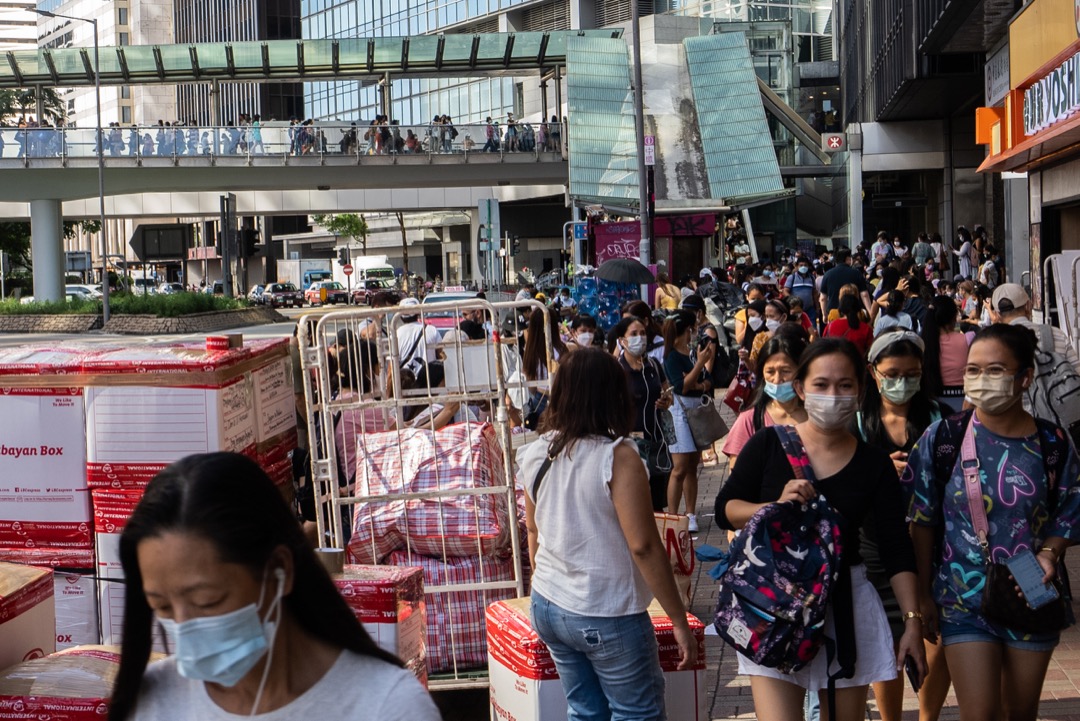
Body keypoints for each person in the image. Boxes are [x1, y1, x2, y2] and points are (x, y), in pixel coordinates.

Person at [107, 453, 440, 721]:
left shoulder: (386, 705)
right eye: (162, 607)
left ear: (279, 571)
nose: (184, 627)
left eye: (207, 601)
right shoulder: (152, 702)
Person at [714, 339, 927, 721]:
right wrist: (773, 507)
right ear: (801, 389)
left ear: (861, 390)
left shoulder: (874, 464)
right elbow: (725, 509)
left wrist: (912, 622)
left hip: (846, 605)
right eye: (822, 385)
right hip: (774, 605)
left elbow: (896, 547)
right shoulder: (768, 444)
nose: (834, 395)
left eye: (845, 385)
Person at [906, 324, 1080, 721]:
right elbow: (921, 518)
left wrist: (1051, 553)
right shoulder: (943, 437)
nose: (981, 380)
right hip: (959, 591)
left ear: (1025, 377)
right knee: (979, 712)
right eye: (973, 369)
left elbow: (1071, 505)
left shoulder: (1053, 444)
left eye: (995, 370)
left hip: (1031, 585)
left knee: (1018, 711)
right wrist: (922, 595)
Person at [518, 349, 693, 720]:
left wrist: (548, 584)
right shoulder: (617, 456)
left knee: (584, 712)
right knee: (636, 714)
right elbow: (644, 547)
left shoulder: (536, 452)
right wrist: (678, 619)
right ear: (612, 394)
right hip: (606, 611)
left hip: (549, 603)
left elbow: (533, 529)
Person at [856, 332, 950, 721]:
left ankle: (929, 717)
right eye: (893, 373)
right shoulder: (856, 422)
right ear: (874, 373)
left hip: (935, 542)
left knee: (935, 634)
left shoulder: (939, 417)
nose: (902, 382)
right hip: (875, 544)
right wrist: (878, 473)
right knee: (887, 638)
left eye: (911, 374)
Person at [722, 332, 808, 469]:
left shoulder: (818, 416)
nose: (777, 379)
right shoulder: (750, 420)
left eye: (786, 371)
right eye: (770, 372)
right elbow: (737, 478)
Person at [614, 316, 674, 511]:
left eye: (642, 333)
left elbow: (667, 392)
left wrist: (666, 400)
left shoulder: (654, 365)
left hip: (656, 442)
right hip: (629, 446)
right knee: (636, 504)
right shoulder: (616, 370)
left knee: (657, 505)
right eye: (633, 334)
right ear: (622, 340)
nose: (639, 338)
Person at [662, 310, 715, 532]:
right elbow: (681, 385)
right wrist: (699, 366)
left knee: (693, 464)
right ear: (687, 331)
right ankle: (673, 516)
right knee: (680, 467)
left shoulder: (693, 352)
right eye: (692, 330)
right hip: (679, 411)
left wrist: (698, 382)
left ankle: (690, 513)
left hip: (696, 409)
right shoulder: (672, 356)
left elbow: (708, 382)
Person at [992, 283, 1080, 372]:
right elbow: (1077, 374)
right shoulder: (1056, 334)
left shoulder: (992, 345)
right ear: (1028, 306)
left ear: (997, 314)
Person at [820, 248, 872, 319]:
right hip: (854, 313)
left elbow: (823, 298)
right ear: (847, 259)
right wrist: (870, 312)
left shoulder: (827, 274)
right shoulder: (856, 273)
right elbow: (864, 295)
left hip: (834, 313)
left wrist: (824, 314)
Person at [394, 298, 442, 374]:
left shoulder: (395, 335)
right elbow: (442, 357)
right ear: (418, 313)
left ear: (400, 315)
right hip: (430, 382)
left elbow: (391, 368)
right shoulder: (432, 330)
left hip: (406, 384)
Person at [749, 299, 789, 367]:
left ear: (784, 317)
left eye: (772, 316)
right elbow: (754, 364)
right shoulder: (760, 338)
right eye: (767, 316)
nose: (768, 320)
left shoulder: (792, 336)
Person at [783, 257, 819, 327]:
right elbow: (785, 291)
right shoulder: (792, 277)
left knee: (812, 328)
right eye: (801, 265)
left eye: (805, 265)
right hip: (795, 310)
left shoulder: (812, 278)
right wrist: (793, 301)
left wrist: (817, 308)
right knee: (796, 328)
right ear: (796, 266)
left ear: (808, 266)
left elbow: (814, 293)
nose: (803, 267)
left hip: (810, 309)